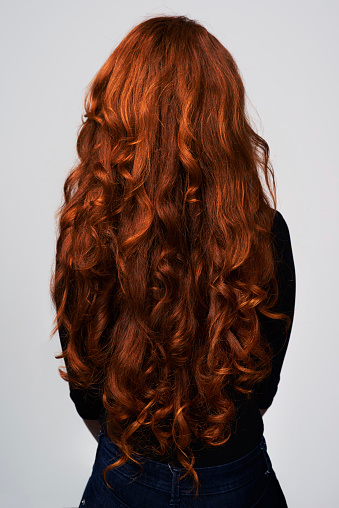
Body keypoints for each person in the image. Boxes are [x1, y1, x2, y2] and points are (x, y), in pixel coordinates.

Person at [50, 14, 296, 508]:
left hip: (124, 477)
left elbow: (86, 391)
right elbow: (261, 387)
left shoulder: (86, 230)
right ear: (221, 118)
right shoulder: (264, 233)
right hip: (237, 482)